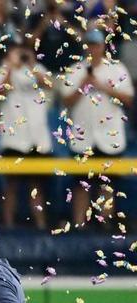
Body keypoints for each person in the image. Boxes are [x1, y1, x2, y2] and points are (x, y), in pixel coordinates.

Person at [60, 29, 133, 229]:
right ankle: (79, 227)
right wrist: (83, 84)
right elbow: (65, 101)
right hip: (83, 138)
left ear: (103, 47)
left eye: (96, 45)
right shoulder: (76, 70)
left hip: (110, 138)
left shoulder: (117, 70)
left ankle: (105, 227)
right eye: (90, 45)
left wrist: (103, 87)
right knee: (81, 185)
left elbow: (128, 99)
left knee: (106, 185)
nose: (93, 49)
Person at [0, 39, 51, 230]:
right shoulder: (0, 72)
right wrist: (10, 68)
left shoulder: (36, 69)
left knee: (37, 186)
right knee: (11, 186)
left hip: (37, 138)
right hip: (13, 138)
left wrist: (31, 64)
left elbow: (50, 85)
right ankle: (7, 226)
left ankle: (41, 226)